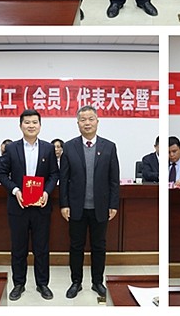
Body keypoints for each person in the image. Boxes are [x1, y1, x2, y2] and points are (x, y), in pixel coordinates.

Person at [0, 109, 59, 301]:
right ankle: (18, 284)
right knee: (19, 248)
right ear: (20, 125)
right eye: (27, 122)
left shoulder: (48, 148)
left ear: (40, 125)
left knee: (42, 248)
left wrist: (46, 192)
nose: (31, 125)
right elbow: (1, 174)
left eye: (34, 122)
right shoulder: (11, 148)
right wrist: (15, 190)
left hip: (41, 207)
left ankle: (42, 284)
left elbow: (54, 174)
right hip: (19, 207)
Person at [60, 105, 120, 299]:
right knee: (76, 246)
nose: (87, 123)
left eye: (91, 119)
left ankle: (97, 282)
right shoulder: (69, 147)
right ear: (78, 123)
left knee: (99, 246)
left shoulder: (109, 146)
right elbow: (64, 179)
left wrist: (113, 204)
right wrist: (64, 204)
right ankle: (76, 282)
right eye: (83, 120)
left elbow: (114, 179)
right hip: (76, 207)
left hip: (100, 207)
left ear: (97, 121)